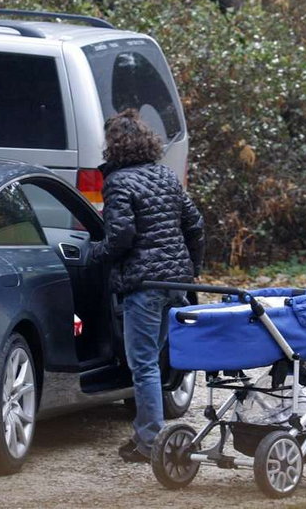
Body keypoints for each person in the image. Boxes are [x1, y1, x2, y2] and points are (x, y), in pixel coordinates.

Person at [88, 108, 204, 463]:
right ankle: (145, 432)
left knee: (143, 364)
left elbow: (121, 236)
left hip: (145, 284)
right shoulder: (166, 176)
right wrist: (191, 270)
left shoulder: (119, 183)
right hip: (175, 283)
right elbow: (195, 225)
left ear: (114, 146)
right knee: (153, 358)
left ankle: (150, 441)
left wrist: (95, 253)